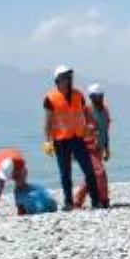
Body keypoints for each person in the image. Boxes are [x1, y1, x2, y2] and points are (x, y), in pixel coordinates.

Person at [43, 65, 102, 210]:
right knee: (65, 173)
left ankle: (96, 201)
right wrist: (46, 142)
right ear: (57, 80)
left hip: (78, 138)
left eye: (70, 77)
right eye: (65, 78)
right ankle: (68, 202)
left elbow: (85, 112)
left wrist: (91, 124)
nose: (69, 80)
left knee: (89, 170)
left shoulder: (78, 95)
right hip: (60, 141)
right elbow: (47, 122)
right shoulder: (50, 98)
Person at [73, 84, 111, 209]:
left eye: (101, 96)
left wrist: (107, 149)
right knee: (100, 173)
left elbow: (105, 131)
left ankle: (77, 201)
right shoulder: (85, 110)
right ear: (91, 97)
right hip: (87, 148)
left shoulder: (105, 110)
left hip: (99, 148)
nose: (99, 99)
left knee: (91, 175)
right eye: (96, 97)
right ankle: (103, 200)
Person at [0, 148, 28, 219]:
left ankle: (21, 209)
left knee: (21, 187)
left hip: (16, 163)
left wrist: (20, 183)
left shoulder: (20, 162)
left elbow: (21, 183)